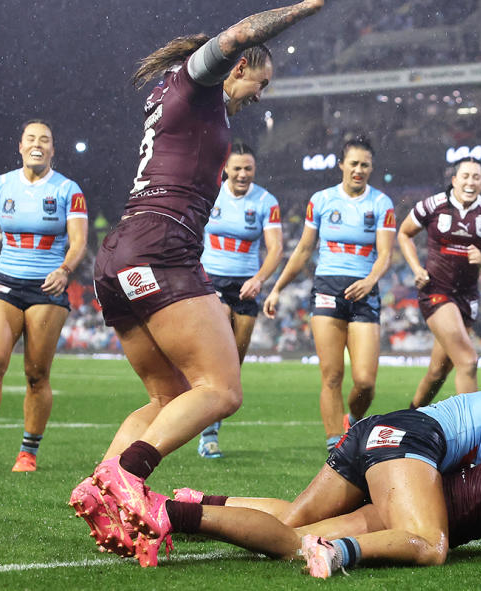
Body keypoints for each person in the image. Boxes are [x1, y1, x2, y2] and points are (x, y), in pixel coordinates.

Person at [68, 0, 324, 557]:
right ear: (237, 68)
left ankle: (102, 488)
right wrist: (306, 9)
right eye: (261, 79)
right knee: (222, 390)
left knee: (167, 396)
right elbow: (241, 34)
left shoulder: (173, 92)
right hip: (163, 246)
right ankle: (127, 477)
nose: (262, 93)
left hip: (123, 252)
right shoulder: (197, 83)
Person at [81, 359, 481, 569]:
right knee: (429, 546)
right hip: (409, 441)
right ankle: (334, 553)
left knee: (291, 522)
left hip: (375, 432)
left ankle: (177, 508)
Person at [167, 440, 481, 564]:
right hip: (419, 496)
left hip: (413, 470)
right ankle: (173, 515)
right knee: (296, 540)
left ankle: (198, 501)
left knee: (302, 514)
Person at [0, 119, 88, 474]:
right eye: (31, 138)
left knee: (36, 374)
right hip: (5, 283)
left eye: (45, 139)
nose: (37, 144)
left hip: (47, 289)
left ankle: (27, 453)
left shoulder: (67, 190)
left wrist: (64, 270)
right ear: (21, 145)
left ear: (53, 149)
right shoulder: (0, 186)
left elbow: (78, 242)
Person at [263, 137, 396, 450]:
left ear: (371, 167)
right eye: (353, 163)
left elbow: (385, 254)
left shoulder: (381, 203)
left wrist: (370, 280)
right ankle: (335, 444)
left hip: (365, 293)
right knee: (332, 374)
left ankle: (350, 418)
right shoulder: (321, 200)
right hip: (326, 289)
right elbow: (304, 249)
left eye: (365, 164)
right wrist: (277, 288)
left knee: (365, 381)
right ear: (342, 165)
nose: (359, 169)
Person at [397, 157, 481, 407]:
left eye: (476, 177)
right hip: (436, 291)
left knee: (438, 372)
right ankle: (471, 436)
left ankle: (411, 418)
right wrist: (416, 268)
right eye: (466, 176)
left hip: (467, 298)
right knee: (468, 361)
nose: (470, 182)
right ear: (454, 180)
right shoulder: (433, 205)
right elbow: (404, 233)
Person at [195, 141, 283, 458]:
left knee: (233, 365)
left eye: (248, 168)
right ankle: (207, 433)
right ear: (226, 170)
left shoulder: (265, 202)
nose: (243, 174)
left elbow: (275, 249)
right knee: (218, 357)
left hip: (247, 286)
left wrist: (258, 279)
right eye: (237, 168)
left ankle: (212, 423)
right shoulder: (210, 193)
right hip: (211, 281)